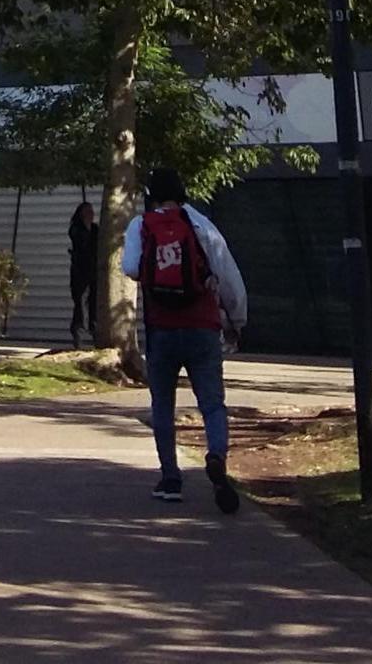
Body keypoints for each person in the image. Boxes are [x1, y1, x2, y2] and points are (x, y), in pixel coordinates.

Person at [121, 166, 247, 512]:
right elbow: (227, 275)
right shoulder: (201, 224)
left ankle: (171, 479)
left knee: (163, 404)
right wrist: (237, 319)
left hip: (161, 328)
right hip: (202, 327)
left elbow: (131, 268)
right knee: (212, 402)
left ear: (151, 194)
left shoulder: (140, 225)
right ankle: (217, 455)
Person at [68, 199, 99, 345]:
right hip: (79, 270)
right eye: (87, 212)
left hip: (93, 269)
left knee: (93, 300)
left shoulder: (95, 229)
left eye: (92, 212)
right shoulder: (76, 229)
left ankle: (94, 328)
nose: (91, 215)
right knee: (79, 300)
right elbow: (80, 244)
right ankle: (77, 329)